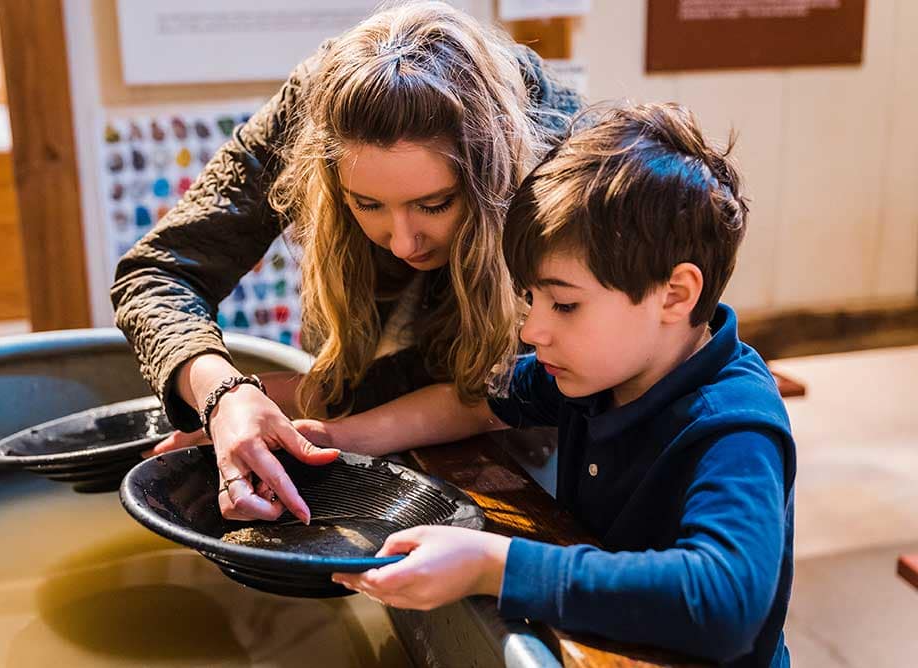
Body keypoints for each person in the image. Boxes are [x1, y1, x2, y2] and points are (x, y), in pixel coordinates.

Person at [293, 103, 797, 667]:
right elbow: (477, 401)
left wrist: (494, 565)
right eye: (532, 299)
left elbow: (723, 603)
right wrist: (337, 438)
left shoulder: (733, 426)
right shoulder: (603, 372)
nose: (533, 329)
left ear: (675, 295)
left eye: (564, 303)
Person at [111, 1, 583, 524]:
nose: (403, 242)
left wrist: (296, 400)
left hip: (509, 427)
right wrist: (223, 394)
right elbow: (157, 271)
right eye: (367, 205)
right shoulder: (316, 110)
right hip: (371, 401)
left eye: (434, 205)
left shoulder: (556, 151)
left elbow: (494, 387)